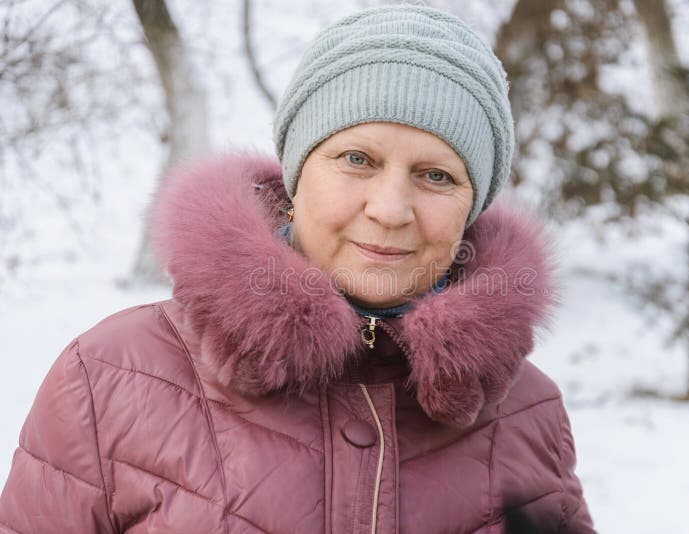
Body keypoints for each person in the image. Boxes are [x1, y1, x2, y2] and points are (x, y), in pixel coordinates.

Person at [0, 5, 594, 533]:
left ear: (473, 205)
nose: (389, 211)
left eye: (436, 175)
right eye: (357, 159)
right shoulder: (107, 378)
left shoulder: (527, 413)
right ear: (296, 172)